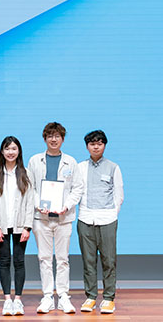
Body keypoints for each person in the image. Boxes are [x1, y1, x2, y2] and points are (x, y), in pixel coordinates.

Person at [26, 122, 84, 314]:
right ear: (45, 139)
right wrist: (38, 204)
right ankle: (47, 296)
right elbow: (30, 187)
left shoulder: (71, 162)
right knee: (44, 258)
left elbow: (77, 188)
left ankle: (64, 296)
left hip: (63, 218)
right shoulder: (35, 161)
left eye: (57, 136)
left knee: (62, 259)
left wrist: (66, 205)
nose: (53, 139)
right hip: (41, 218)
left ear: (63, 139)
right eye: (50, 136)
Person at [77, 130, 124, 314]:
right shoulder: (80, 167)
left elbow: (119, 194)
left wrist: (111, 213)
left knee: (109, 260)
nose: (96, 147)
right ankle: (90, 297)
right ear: (87, 146)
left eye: (99, 143)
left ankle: (109, 298)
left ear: (104, 145)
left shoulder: (113, 167)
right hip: (85, 219)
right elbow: (76, 191)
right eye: (92, 144)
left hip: (107, 220)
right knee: (88, 261)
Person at [0, 136, 33, 316]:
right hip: (2, 225)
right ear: (2, 151)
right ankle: (7, 300)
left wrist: (27, 227)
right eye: (7, 149)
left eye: (14, 148)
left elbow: (30, 201)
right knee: (4, 261)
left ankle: (18, 300)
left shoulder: (26, 173)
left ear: (19, 151)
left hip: (21, 225)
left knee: (19, 261)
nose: (10, 152)